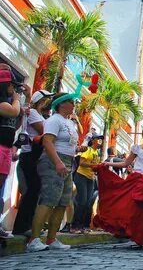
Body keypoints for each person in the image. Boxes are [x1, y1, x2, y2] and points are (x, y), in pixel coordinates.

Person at [26, 93, 79, 252]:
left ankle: (51, 238)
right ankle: (34, 239)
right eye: (70, 101)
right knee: (49, 199)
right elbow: (47, 142)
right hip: (53, 160)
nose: (73, 104)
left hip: (68, 162)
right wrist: (57, 162)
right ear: (62, 104)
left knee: (63, 201)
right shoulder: (54, 120)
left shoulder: (69, 123)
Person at [12, 89, 54, 236]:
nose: (48, 102)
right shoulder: (34, 114)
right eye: (46, 100)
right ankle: (21, 227)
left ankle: (28, 225)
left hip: (36, 155)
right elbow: (44, 132)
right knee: (31, 190)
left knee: (35, 191)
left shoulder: (40, 115)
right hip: (30, 154)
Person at [0, 69, 31, 239]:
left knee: (2, 185)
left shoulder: (12, 102)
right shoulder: (4, 102)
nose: (15, 90)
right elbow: (11, 111)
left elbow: (15, 121)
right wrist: (18, 101)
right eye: (13, 86)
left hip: (6, 147)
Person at [71, 133, 103, 234]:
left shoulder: (96, 152)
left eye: (101, 139)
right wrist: (94, 165)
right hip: (81, 176)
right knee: (82, 200)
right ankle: (75, 225)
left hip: (90, 178)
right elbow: (81, 163)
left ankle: (84, 225)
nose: (100, 141)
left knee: (88, 202)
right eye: (98, 139)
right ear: (93, 140)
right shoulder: (88, 150)